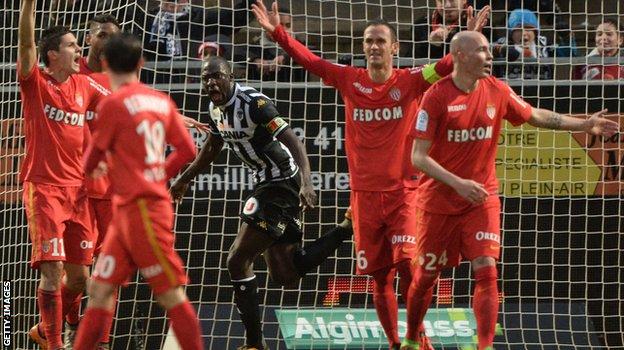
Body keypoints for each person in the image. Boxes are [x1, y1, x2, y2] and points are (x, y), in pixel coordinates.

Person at [251, 2, 489, 349]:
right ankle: (396, 343)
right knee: (380, 280)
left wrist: (469, 38)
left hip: (404, 195)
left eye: (380, 41)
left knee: (412, 270)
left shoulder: (409, 81)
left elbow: (445, 66)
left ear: (395, 47)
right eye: (367, 42)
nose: (373, 47)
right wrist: (279, 35)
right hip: (363, 198)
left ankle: (416, 336)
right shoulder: (350, 80)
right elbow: (311, 61)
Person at [402, 31, 619, 350]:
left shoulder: (497, 90)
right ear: (460, 56)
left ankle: (485, 345)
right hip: (439, 201)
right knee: (426, 277)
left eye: (489, 51)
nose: (490, 57)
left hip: (481, 198)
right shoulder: (435, 97)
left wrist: (583, 124)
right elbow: (417, 157)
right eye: (482, 51)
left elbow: (536, 116)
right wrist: (458, 183)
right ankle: (411, 337)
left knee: (487, 269)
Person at [169, 56, 353, 350]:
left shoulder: (255, 104)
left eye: (216, 76)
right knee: (286, 273)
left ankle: (255, 344)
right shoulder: (215, 109)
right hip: (267, 183)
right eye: (205, 78)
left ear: (230, 76)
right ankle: (346, 227)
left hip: (281, 182)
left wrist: (307, 182)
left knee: (236, 260)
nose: (210, 83)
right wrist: (185, 178)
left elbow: (293, 140)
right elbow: (214, 145)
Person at [74, 32, 202, 350]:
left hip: (144, 210)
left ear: (104, 63)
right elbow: (187, 150)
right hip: (126, 213)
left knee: (170, 293)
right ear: (141, 63)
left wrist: (116, 169)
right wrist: (158, 174)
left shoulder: (114, 104)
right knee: (100, 291)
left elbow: (90, 160)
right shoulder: (161, 100)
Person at [18, 1, 108, 349]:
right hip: (44, 189)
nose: (78, 51)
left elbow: (121, 99)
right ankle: (55, 344)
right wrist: (28, 6)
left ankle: (51, 326)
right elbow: (25, 45)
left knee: (81, 279)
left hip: (79, 193)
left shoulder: (84, 86)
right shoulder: (35, 83)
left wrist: (168, 114)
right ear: (53, 54)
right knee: (52, 271)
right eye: (71, 45)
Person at [245, 6, 305, 81]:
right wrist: (255, 60)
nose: (284, 29)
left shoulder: (300, 44)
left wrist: (285, 58)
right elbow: (236, 53)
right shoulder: (255, 45)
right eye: (279, 25)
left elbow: (316, 54)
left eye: (288, 25)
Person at [492, 8, 553, 79]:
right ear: (511, 33)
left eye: (528, 28)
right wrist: (501, 50)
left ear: (535, 32)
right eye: (518, 29)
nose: (523, 33)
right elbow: (489, 47)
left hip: (543, 87)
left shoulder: (544, 43)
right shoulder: (503, 42)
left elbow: (563, 53)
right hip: (509, 87)